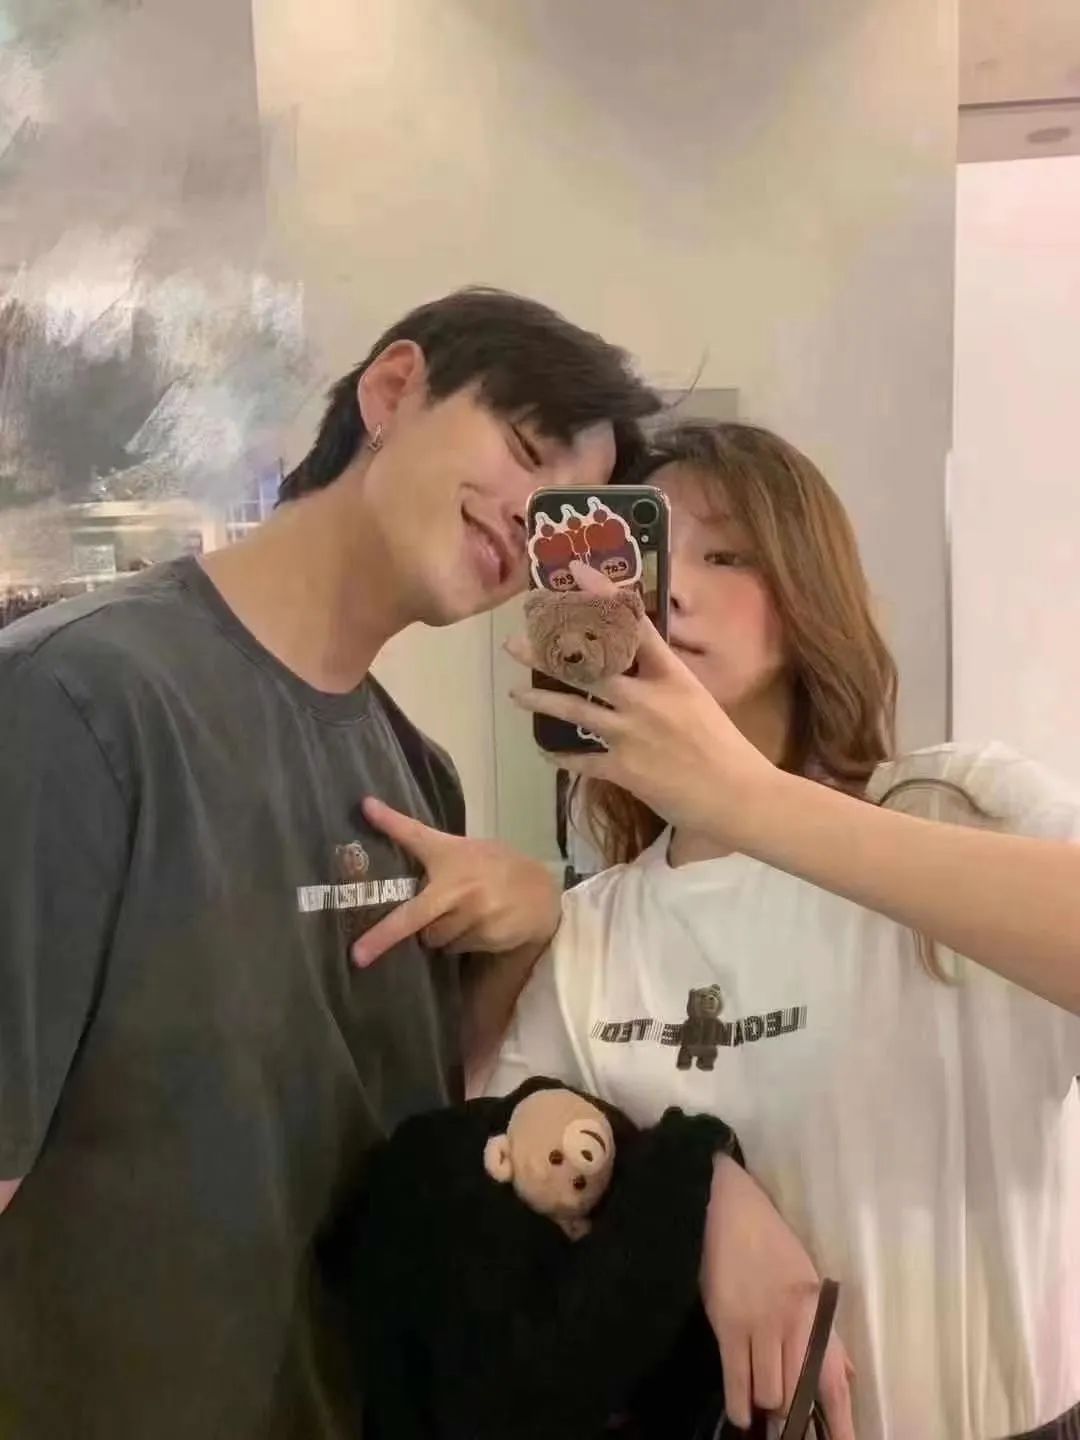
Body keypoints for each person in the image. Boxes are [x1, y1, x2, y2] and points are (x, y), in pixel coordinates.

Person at [0, 287, 660, 1439]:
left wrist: (530, 927)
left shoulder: (420, 780)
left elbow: (399, 1140)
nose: (532, 523)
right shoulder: (79, 699)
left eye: (568, 511)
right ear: (393, 390)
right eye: (524, 453)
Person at [494, 420, 1080, 1440]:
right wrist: (698, 1193)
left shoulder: (960, 806)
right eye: (649, 555)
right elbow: (526, 1182)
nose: (673, 594)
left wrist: (751, 801)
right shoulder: (588, 934)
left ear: (810, 592)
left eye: (727, 555)